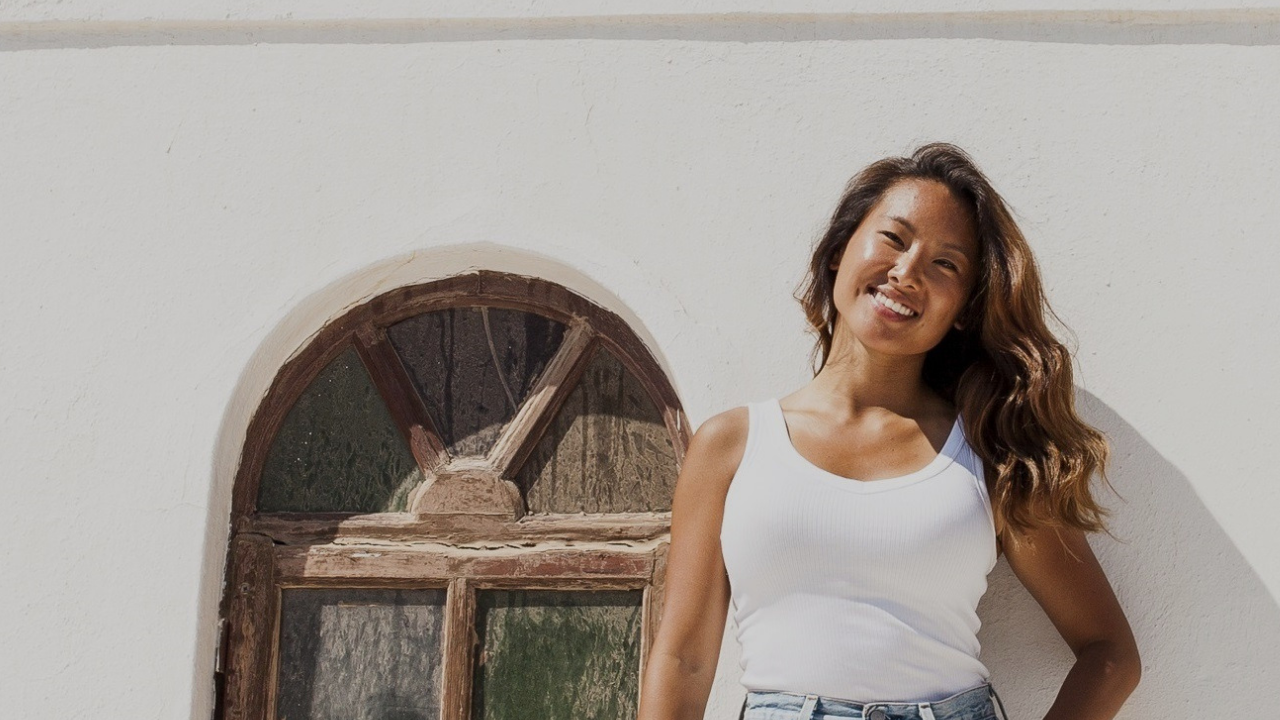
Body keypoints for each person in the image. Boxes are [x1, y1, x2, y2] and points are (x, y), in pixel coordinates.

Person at [635, 143, 1141, 720]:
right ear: (838, 252)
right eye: (894, 239)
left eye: (946, 264)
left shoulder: (990, 454)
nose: (907, 273)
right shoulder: (730, 445)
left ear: (964, 309)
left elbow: (1110, 655)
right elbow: (683, 661)